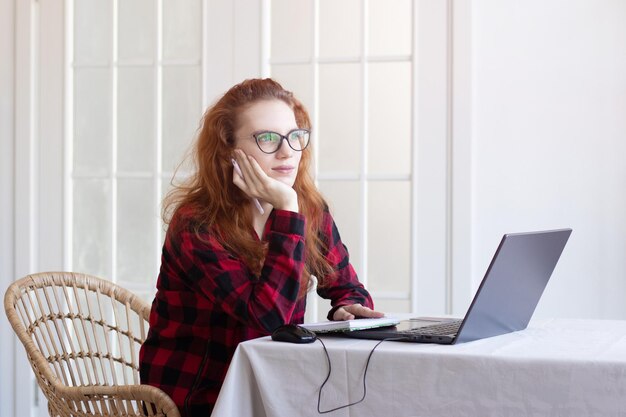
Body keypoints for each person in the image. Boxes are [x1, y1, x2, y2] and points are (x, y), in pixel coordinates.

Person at [139, 78, 383, 416]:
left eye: (294, 137)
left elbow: (348, 287)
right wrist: (286, 208)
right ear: (228, 149)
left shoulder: (308, 209)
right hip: (201, 398)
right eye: (267, 138)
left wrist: (349, 307)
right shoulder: (197, 223)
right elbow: (264, 324)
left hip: (278, 389)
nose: (287, 151)